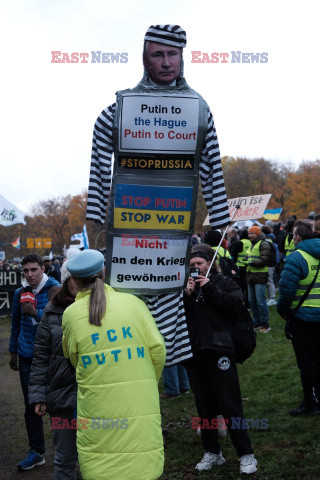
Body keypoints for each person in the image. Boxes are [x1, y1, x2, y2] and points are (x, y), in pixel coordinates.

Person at [86, 24, 230, 366]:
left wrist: (222, 226)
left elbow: (212, 167)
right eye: (158, 54)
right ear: (145, 60)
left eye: (173, 54)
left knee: (167, 304)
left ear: (182, 57)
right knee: (130, 310)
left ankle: (159, 367)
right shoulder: (119, 111)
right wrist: (94, 226)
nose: (166, 63)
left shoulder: (198, 110)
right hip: (130, 233)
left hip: (172, 232)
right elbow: (97, 165)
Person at [62, 249, 166, 480]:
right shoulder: (134, 303)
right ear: (104, 271)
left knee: (102, 467)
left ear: (74, 281)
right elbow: (158, 349)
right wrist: (147, 380)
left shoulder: (70, 314)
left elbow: (72, 357)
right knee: (142, 466)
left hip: (97, 404)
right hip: (139, 399)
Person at [183, 244, 257, 475]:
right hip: (195, 352)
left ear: (209, 264)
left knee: (230, 404)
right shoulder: (186, 287)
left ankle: (246, 453)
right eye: (192, 265)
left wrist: (210, 289)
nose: (196, 268)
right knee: (204, 407)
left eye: (200, 264)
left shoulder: (224, 282)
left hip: (221, 351)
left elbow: (235, 306)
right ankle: (213, 452)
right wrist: (186, 296)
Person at [9, 253, 60, 470]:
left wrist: (37, 313)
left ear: (43, 268)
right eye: (26, 271)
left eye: (34, 270)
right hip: (27, 357)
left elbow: (61, 323)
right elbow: (15, 324)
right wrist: (13, 351)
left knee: (58, 407)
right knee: (32, 407)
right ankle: (37, 452)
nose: (29, 275)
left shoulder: (55, 290)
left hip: (53, 358)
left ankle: (65, 453)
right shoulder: (20, 292)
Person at [28, 257, 78, 480]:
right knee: (64, 457)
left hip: (97, 398)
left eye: (90, 280)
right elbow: (41, 357)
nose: (83, 284)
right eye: (76, 279)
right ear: (67, 280)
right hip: (61, 397)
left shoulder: (105, 309)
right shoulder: (52, 311)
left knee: (96, 458)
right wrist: (39, 396)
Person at [277, 221, 320, 416]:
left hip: (303, 320)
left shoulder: (296, 257)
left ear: (297, 237)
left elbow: (286, 292)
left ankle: (311, 403)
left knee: (307, 363)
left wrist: (283, 311)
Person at [246, 226, 271, 333]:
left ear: (257, 234)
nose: (249, 235)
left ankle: (265, 324)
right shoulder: (253, 244)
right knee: (252, 301)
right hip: (251, 276)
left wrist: (251, 262)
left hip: (260, 276)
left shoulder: (263, 244)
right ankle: (257, 323)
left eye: (251, 233)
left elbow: (264, 260)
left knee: (261, 301)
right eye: (249, 233)